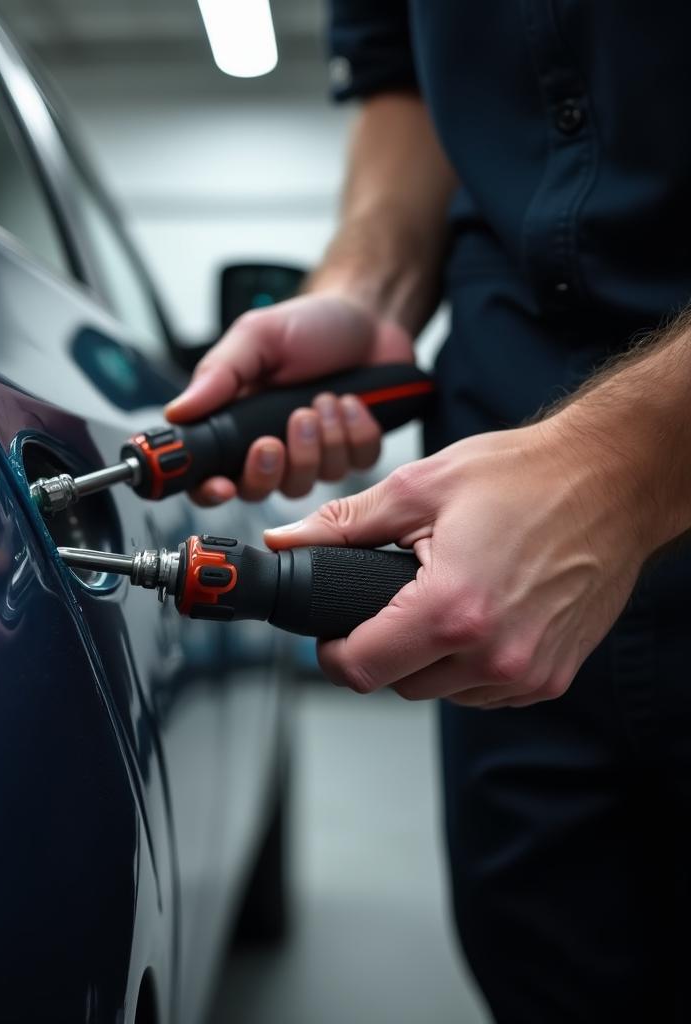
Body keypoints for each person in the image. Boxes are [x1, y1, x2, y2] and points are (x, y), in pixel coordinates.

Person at [166, 3, 691, 1021]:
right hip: (488, 527)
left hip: (576, 489)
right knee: (547, 967)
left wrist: (619, 467)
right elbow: (402, 91)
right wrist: (366, 286)